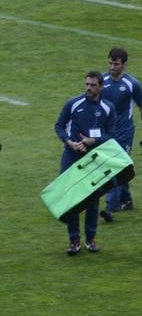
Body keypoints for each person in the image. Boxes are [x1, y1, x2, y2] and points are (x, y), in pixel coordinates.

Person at [54, 71, 116, 254]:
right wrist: (70, 143)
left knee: (92, 199)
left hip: (94, 157)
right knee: (71, 198)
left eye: (93, 85)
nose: (88, 88)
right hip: (72, 155)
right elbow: (59, 126)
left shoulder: (108, 107)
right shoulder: (73, 103)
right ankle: (74, 240)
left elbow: (111, 135)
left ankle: (91, 238)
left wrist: (93, 142)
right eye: (87, 84)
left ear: (101, 87)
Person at [101, 47, 141, 219]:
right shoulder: (101, 80)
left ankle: (111, 206)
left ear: (124, 64)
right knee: (121, 166)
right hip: (106, 133)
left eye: (116, 64)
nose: (112, 67)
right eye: (110, 63)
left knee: (115, 167)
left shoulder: (133, 84)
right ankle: (126, 199)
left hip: (125, 132)